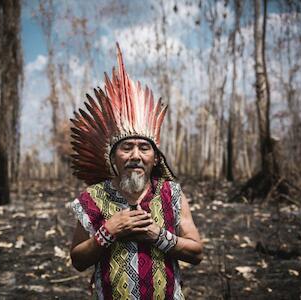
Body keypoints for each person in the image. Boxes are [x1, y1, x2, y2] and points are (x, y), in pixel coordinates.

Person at [69, 44, 203, 299]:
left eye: (144, 148)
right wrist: (109, 231)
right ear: (113, 158)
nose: (135, 156)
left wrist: (157, 235)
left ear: (155, 158)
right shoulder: (93, 198)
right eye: (126, 148)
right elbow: (77, 260)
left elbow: (196, 253)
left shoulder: (171, 194)